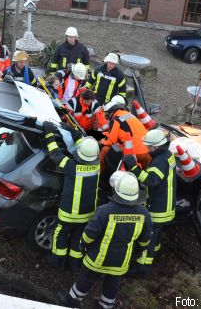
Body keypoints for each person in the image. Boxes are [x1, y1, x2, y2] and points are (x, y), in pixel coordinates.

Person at [58, 172, 151, 309]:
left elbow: (89, 234)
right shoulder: (144, 214)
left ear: (116, 191)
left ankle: (71, 301)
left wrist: (83, 246)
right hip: (121, 260)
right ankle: (105, 306)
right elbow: (145, 240)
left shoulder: (105, 210)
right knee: (112, 284)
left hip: (97, 258)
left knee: (86, 279)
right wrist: (136, 253)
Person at [43, 121, 100, 271]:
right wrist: (70, 129)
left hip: (69, 213)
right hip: (87, 213)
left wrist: (49, 133)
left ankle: (57, 262)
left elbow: (55, 154)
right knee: (78, 238)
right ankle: (74, 265)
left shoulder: (71, 166)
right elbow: (83, 144)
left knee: (60, 235)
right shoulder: (97, 165)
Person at [122, 129, 176, 276]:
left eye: (149, 147)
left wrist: (133, 168)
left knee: (149, 237)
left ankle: (142, 268)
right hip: (166, 204)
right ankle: (154, 254)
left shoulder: (160, 161)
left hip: (158, 207)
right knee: (156, 234)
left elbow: (152, 181)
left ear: (156, 147)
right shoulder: (167, 155)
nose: (147, 149)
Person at [99, 95, 150, 179]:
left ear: (110, 112)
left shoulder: (116, 120)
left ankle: (98, 175)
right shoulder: (129, 115)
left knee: (105, 150)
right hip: (147, 152)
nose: (105, 114)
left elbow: (111, 141)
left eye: (105, 112)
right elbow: (128, 131)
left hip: (135, 152)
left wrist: (101, 142)